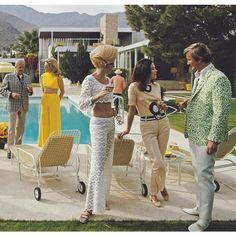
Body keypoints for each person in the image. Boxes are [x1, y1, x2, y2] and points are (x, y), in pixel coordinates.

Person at [181, 43, 232, 231]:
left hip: (206, 137)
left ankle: (204, 220)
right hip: (194, 134)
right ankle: (198, 207)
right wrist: (190, 103)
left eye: (189, 59)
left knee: (205, 177)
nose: (188, 63)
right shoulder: (199, 76)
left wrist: (213, 138)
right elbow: (205, 102)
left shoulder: (219, 79)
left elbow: (221, 112)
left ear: (200, 59)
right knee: (197, 174)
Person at [119, 58, 170, 207]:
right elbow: (131, 110)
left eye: (155, 68)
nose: (156, 70)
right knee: (158, 163)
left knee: (159, 162)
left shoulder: (157, 86)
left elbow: (158, 106)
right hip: (147, 126)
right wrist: (127, 128)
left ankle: (153, 193)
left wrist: (163, 107)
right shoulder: (133, 87)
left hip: (163, 123)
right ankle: (161, 186)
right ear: (145, 70)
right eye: (153, 68)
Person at [77, 44, 118, 223]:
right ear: (102, 62)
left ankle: (99, 201)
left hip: (111, 124)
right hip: (99, 125)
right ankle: (87, 208)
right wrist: (100, 95)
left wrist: (115, 111)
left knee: (106, 164)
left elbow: (110, 103)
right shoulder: (89, 80)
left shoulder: (109, 79)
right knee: (97, 165)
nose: (112, 65)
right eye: (110, 62)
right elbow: (82, 104)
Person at [0, 59, 33, 159]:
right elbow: (2, 90)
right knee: (11, 129)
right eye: (19, 67)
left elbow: (30, 92)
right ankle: (10, 151)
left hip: (24, 106)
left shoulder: (27, 78)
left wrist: (30, 91)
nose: (21, 68)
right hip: (13, 105)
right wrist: (11, 94)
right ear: (15, 67)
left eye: (23, 67)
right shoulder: (8, 77)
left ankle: (18, 149)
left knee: (20, 129)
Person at [38, 57, 64, 147]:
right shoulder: (43, 76)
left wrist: (57, 100)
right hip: (45, 99)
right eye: (44, 67)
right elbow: (43, 89)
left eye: (46, 67)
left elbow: (62, 91)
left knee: (54, 121)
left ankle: (54, 144)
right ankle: (44, 143)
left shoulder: (58, 77)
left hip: (54, 100)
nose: (45, 69)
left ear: (52, 67)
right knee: (44, 120)